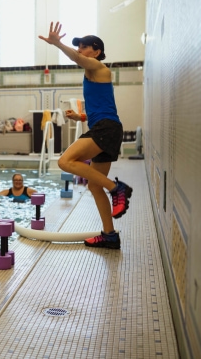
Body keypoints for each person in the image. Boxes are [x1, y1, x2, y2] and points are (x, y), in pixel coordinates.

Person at [39, 21, 132, 249]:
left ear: (96, 51)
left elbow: (77, 59)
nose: (80, 49)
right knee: (93, 185)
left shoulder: (100, 68)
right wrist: (80, 118)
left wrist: (58, 43)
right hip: (106, 127)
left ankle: (117, 188)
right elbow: (103, 107)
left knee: (65, 161)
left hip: (106, 129)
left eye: (84, 46)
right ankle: (109, 236)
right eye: (77, 46)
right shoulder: (92, 74)